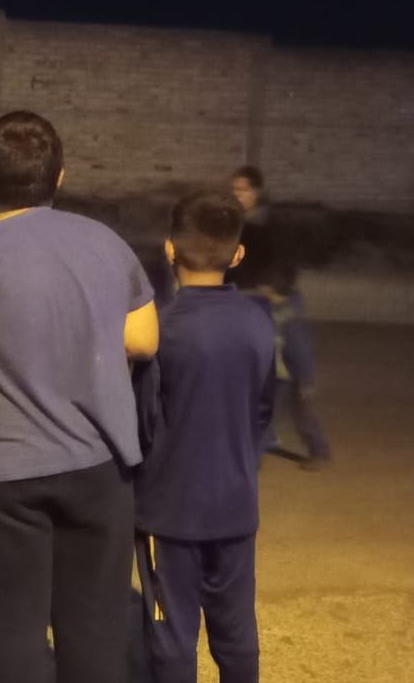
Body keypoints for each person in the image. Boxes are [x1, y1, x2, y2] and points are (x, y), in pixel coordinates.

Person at [0, 111, 159, 683]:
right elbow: (143, 340)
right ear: (59, 177)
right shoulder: (106, 243)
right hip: (99, 467)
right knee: (95, 631)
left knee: (12, 632)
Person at [132, 192, 276, 683]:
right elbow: (263, 411)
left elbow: (142, 420)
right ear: (238, 254)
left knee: (173, 632)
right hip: (235, 503)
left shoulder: (160, 329)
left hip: (169, 510)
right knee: (236, 630)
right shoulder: (258, 323)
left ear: (170, 249)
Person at [229, 166, 332, 471]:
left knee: (292, 401)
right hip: (251, 302)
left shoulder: (271, 226)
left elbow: (300, 347)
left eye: (243, 189)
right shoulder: (234, 223)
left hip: (272, 301)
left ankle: (314, 449)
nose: (237, 195)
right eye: (234, 189)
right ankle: (254, 451)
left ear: (257, 191)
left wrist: (307, 379)